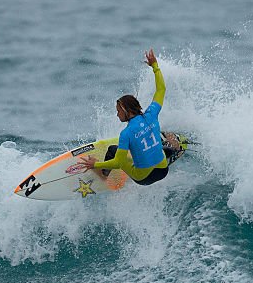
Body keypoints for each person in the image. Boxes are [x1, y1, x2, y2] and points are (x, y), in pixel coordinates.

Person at [78, 49, 184, 185]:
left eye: (118, 111)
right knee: (159, 146)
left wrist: (95, 164)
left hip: (144, 178)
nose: (117, 115)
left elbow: (118, 163)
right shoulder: (151, 114)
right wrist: (155, 66)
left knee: (113, 150)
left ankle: (103, 174)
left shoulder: (126, 133)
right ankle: (174, 150)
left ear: (126, 111)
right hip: (163, 170)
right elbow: (161, 89)